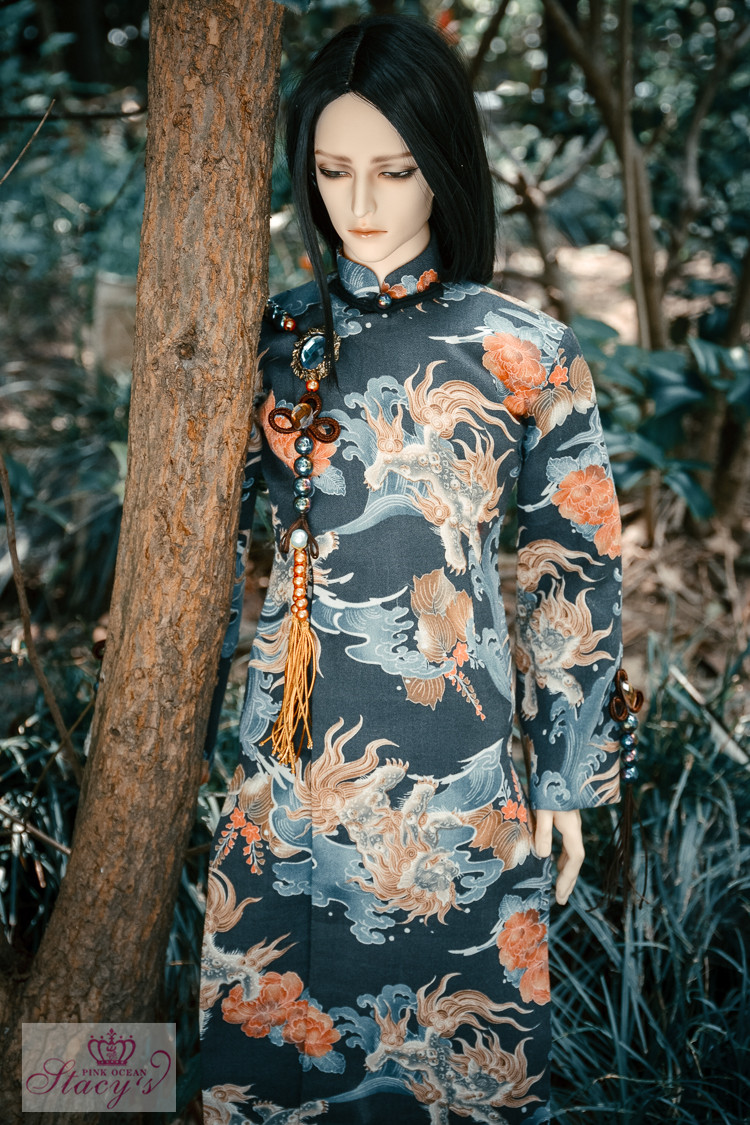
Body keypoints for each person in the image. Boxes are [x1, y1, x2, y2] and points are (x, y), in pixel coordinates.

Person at [200, 15, 633, 1124]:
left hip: (456, 773)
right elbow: (198, 544)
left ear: (442, 163)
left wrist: (567, 775)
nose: (362, 202)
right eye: (333, 169)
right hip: (289, 764)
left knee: (455, 1060)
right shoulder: (269, 338)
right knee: (269, 1060)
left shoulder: (523, 352)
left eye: (394, 170)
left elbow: (572, 568)